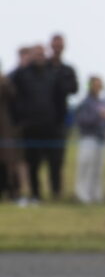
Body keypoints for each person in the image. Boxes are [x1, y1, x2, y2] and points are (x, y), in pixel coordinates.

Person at [9, 45, 62, 202]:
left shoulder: (52, 74)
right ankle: (35, 194)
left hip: (50, 126)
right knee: (33, 163)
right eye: (36, 54)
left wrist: (57, 119)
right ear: (32, 56)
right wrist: (19, 118)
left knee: (54, 162)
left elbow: (58, 99)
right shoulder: (22, 74)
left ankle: (55, 194)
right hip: (30, 126)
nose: (40, 57)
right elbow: (13, 96)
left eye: (42, 54)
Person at [48, 33, 79, 198]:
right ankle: (34, 192)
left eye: (60, 45)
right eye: (55, 44)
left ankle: (56, 192)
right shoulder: (42, 67)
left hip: (60, 121)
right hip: (41, 121)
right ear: (51, 46)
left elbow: (74, 88)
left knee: (57, 160)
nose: (57, 48)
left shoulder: (68, 70)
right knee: (35, 159)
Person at [73, 76, 105, 203]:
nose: (97, 87)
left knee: (98, 169)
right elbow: (82, 121)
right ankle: (82, 194)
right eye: (95, 84)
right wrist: (97, 116)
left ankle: (96, 194)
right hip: (88, 138)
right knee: (86, 167)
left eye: (99, 85)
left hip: (101, 139)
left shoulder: (103, 102)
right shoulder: (85, 103)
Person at [0, 61, 21, 201]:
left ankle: (12, 191)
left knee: (8, 161)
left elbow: (14, 96)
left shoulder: (5, 82)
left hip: (4, 127)